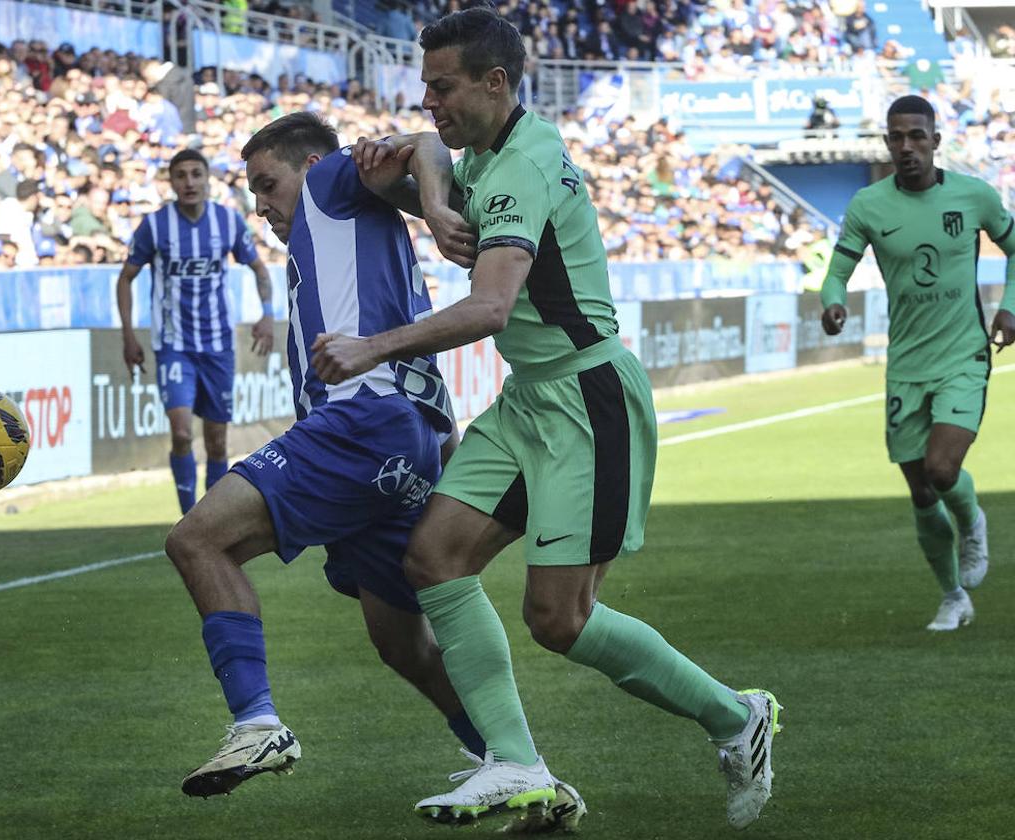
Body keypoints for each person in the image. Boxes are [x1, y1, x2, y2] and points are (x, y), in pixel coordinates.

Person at [311, 6, 780, 829]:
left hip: (587, 403)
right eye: (425, 87)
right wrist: (427, 181)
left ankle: (736, 718)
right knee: (434, 561)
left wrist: (370, 348)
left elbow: (491, 307)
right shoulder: (487, 151)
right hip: (530, 399)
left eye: (444, 87)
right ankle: (516, 763)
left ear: (496, 83)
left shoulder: (524, 164)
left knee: (559, 620)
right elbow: (422, 151)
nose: (430, 104)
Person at [161, 111, 586, 832]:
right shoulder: (342, 230)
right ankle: (526, 772)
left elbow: (423, 143)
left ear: (311, 165)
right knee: (402, 644)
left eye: (268, 185)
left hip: (360, 425)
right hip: (404, 439)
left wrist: (437, 204)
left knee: (198, 541)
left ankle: (257, 721)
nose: (260, 205)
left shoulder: (331, 180)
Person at [820, 94, 1015, 631]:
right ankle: (953, 595)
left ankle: (973, 519)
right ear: (887, 143)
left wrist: (1010, 307)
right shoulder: (868, 205)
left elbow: (1014, 245)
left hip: (963, 355)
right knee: (921, 488)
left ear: (935, 141)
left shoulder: (973, 196)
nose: (907, 147)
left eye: (916, 136)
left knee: (942, 468)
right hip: (905, 362)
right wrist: (831, 300)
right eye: (896, 137)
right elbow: (837, 270)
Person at [116, 149, 274, 515]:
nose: (189, 182)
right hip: (174, 346)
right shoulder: (154, 226)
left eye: (196, 174)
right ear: (171, 183)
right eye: (181, 175)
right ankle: (190, 517)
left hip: (218, 345)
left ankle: (212, 518)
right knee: (183, 433)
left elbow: (260, 271)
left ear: (207, 180)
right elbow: (126, 278)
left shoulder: (228, 222)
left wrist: (266, 314)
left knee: (217, 443)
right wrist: (128, 334)